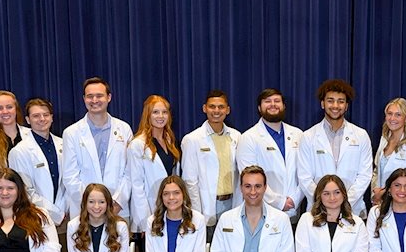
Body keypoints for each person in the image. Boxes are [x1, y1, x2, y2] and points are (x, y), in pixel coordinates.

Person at [210, 166, 295, 252]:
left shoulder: (281, 219)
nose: (253, 192)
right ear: (241, 188)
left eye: (258, 186)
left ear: (265, 188)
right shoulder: (226, 218)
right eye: (248, 186)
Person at [297, 79, 374, 215]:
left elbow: (364, 175)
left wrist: (344, 202)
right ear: (323, 104)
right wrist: (324, 201)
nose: (335, 105)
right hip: (318, 211)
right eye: (330, 100)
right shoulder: (308, 136)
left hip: (352, 210)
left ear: (346, 106)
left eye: (341, 101)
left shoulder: (361, 135)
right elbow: (304, 177)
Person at [61, 77, 133, 219]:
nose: (94, 100)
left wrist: (117, 202)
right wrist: (92, 205)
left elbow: (130, 171)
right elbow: (70, 176)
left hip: (117, 209)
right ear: (84, 99)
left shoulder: (124, 129)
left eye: (99, 95)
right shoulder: (71, 133)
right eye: (90, 96)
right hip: (84, 211)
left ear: (109, 97)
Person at [236, 88, 304, 220]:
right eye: (267, 101)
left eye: (277, 101)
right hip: (263, 211)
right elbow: (249, 178)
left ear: (284, 106)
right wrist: (279, 202)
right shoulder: (248, 138)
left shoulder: (298, 134)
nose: (273, 104)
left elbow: (305, 172)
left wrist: (295, 200)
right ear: (259, 108)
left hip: (294, 208)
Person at [182, 90, 241, 229]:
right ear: (204, 108)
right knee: (208, 246)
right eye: (212, 106)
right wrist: (197, 213)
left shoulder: (237, 136)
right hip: (207, 205)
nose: (216, 110)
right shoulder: (192, 139)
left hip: (233, 201)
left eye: (221, 107)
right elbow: (190, 181)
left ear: (227, 110)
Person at [129, 94, 182, 234]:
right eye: (155, 112)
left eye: (164, 112)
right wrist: (145, 219)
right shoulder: (137, 145)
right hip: (149, 210)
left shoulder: (170, 140)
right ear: (148, 115)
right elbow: (136, 185)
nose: (161, 116)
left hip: (170, 208)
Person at [9, 97, 67, 226]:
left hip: (66, 216)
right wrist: (56, 214)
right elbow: (25, 191)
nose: (42, 119)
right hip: (37, 218)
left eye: (45, 115)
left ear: (51, 117)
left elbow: (68, 181)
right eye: (36, 116)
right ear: (28, 120)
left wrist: (64, 210)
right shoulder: (19, 152)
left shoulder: (64, 144)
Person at [371, 98, 406, 203]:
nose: (392, 118)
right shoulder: (384, 139)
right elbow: (377, 171)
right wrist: (375, 193)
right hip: (380, 204)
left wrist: (387, 193)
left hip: (404, 205)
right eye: (389, 114)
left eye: (398, 115)